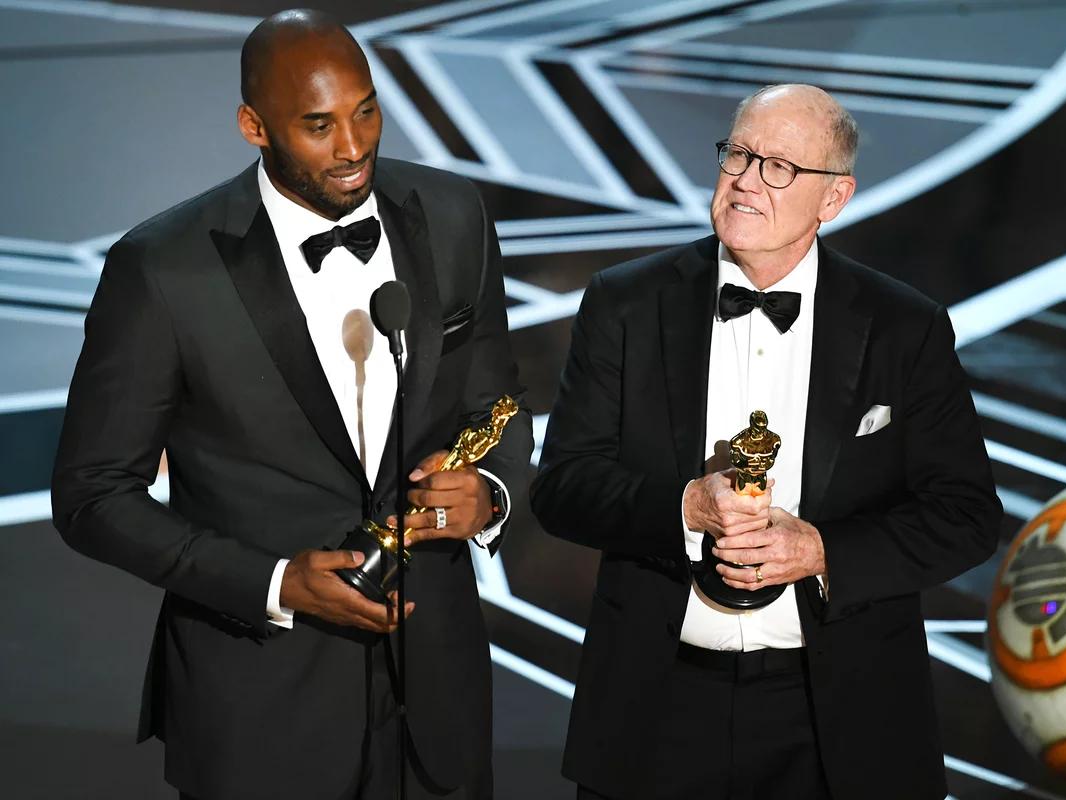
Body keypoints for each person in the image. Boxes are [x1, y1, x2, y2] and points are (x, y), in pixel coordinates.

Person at [51, 10, 531, 800]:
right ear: (253, 125)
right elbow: (93, 493)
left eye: (366, 109)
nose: (353, 146)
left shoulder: (453, 216)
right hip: (260, 708)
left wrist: (490, 492)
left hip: (438, 706)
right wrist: (273, 583)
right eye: (318, 125)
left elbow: (498, 398)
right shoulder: (162, 269)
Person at [531, 83, 1001, 800]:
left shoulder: (904, 327)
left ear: (834, 199)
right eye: (739, 155)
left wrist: (820, 551)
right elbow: (562, 487)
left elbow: (965, 516)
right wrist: (686, 505)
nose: (747, 181)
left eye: (779, 166)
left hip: (837, 717)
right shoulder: (626, 303)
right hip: (656, 706)